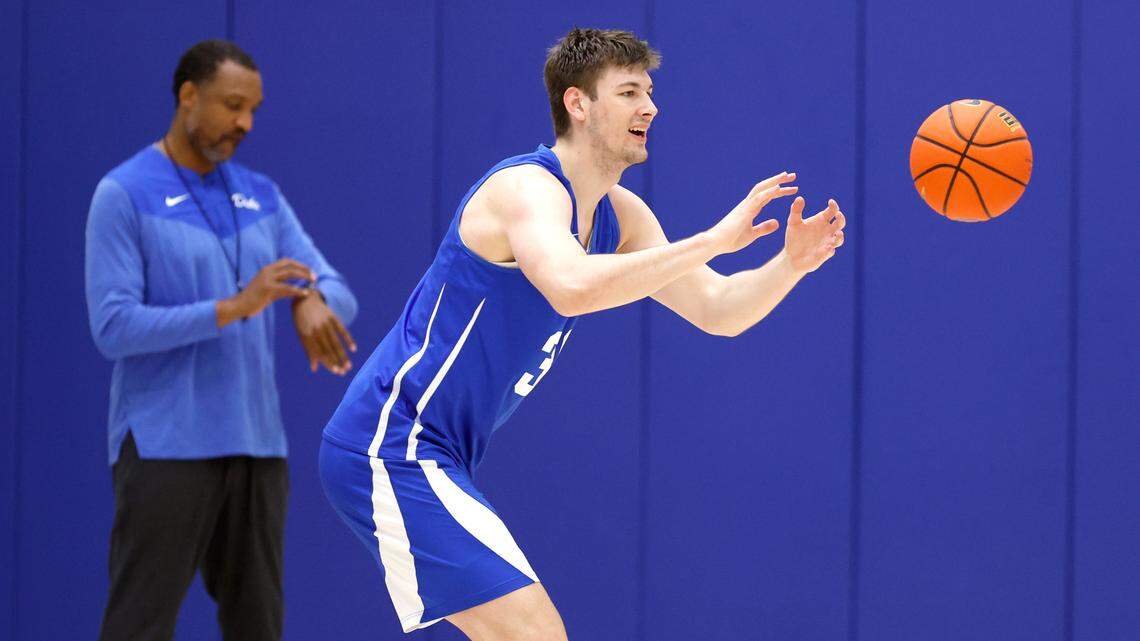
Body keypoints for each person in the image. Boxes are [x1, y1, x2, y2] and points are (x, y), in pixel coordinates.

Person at [318, 27, 845, 640]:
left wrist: (790, 265)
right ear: (578, 103)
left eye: (649, 91)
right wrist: (713, 241)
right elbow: (569, 285)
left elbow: (718, 308)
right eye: (628, 92)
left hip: (440, 451)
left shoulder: (622, 215)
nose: (650, 107)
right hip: (390, 441)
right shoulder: (526, 190)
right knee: (537, 635)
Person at [85, 39, 358, 641]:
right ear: (188, 97)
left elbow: (338, 287)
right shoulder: (123, 193)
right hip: (164, 447)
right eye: (233, 105)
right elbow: (113, 326)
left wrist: (310, 299)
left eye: (253, 110)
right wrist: (236, 307)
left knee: (258, 626)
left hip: (257, 449)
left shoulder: (260, 194)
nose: (245, 123)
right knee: (139, 624)